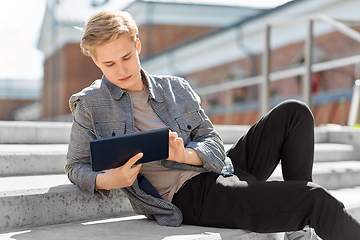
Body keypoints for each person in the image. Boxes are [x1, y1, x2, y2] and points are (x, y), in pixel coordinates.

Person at [65, 10, 360, 240]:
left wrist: (186, 155)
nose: (121, 70)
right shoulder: (89, 104)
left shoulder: (174, 88)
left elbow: (211, 140)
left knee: (294, 112)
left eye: (127, 57)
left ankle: (297, 231)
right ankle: (302, 218)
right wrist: (108, 181)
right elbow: (75, 164)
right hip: (189, 196)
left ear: (138, 45)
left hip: (219, 168)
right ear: (96, 62)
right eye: (109, 64)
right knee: (315, 199)